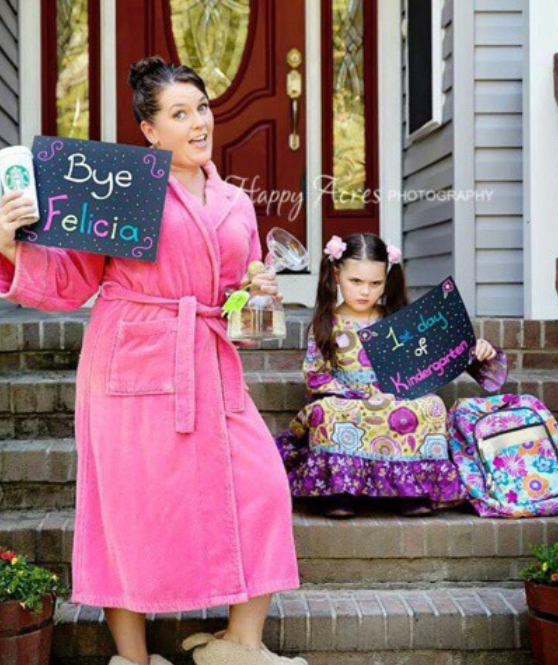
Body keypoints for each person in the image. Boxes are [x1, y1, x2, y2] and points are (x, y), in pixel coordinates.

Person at [0, 56, 307, 665]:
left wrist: (259, 298)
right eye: (179, 113)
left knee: (264, 486)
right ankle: (132, 658)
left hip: (211, 358)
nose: (199, 123)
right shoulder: (126, 187)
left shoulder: (235, 202)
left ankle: (240, 646)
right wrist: (9, 245)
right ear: (149, 129)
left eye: (203, 108)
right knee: (130, 508)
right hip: (132, 356)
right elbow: (69, 283)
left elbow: (236, 302)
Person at [275, 233, 506, 518]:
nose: (365, 291)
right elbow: (316, 377)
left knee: (431, 405)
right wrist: (359, 396)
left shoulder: (399, 322)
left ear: (387, 279)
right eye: (355, 281)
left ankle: (410, 490)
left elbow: (437, 356)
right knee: (327, 412)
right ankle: (340, 490)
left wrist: (475, 350)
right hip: (349, 402)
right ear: (336, 275)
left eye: (376, 283)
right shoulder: (327, 324)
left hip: (397, 400)